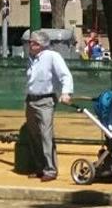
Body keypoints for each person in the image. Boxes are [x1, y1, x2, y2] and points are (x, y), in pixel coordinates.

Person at [24, 31, 74, 182]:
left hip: (46, 101)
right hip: (31, 100)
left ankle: (51, 170)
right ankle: (40, 167)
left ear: (42, 45)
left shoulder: (52, 56)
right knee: (33, 135)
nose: (31, 45)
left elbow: (65, 75)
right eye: (30, 42)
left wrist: (66, 92)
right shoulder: (31, 59)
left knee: (46, 135)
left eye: (34, 43)